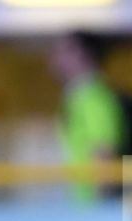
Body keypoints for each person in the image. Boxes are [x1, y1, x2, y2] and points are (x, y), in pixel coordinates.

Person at [49, 31, 125, 202]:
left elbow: (104, 151)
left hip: (90, 205)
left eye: (63, 51)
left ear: (83, 55)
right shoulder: (76, 97)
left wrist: (99, 213)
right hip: (78, 203)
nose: (55, 57)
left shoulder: (94, 98)